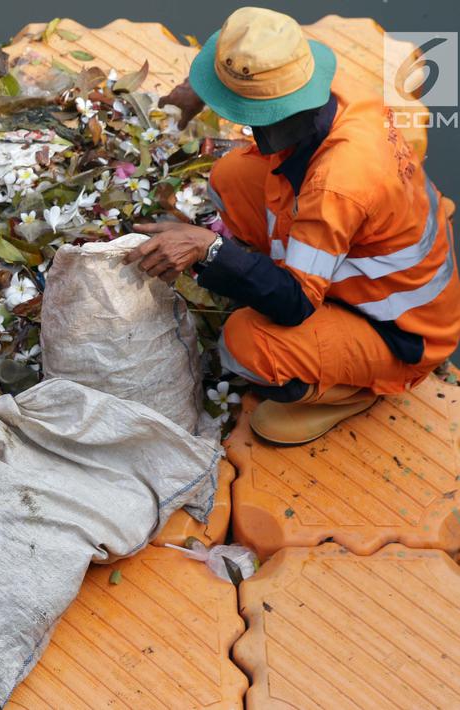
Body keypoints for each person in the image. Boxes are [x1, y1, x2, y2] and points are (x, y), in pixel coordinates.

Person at [125, 7, 459, 445]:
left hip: (400, 330)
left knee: (243, 343)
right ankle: (280, 282)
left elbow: (297, 303)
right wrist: (197, 92)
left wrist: (210, 249)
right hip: (364, 258)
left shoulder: (338, 184)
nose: (244, 122)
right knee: (230, 177)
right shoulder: (328, 87)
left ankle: (349, 389)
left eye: (248, 112)